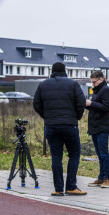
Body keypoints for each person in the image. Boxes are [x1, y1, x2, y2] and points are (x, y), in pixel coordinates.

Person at [33, 62, 87, 197]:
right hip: (70, 125)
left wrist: (47, 117)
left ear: (52, 71)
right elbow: (81, 102)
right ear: (64, 71)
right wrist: (76, 117)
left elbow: (36, 104)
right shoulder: (73, 84)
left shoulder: (43, 85)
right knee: (74, 154)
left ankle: (58, 189)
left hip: (51, 126)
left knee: (56, 156)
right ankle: (71, 187)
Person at [86, 70, 109, 188]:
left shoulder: (106, 90)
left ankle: (107, 178)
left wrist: (91, 104)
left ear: (101, 79)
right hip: (95, 126)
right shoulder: (97, 91)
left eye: (94, 82)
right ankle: (101, 177)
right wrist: (86, 104)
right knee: (99, 154)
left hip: (102, 126)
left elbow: (106, 107)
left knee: (103, 154)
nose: (93, 84)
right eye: (92, 82)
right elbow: (96, 108)